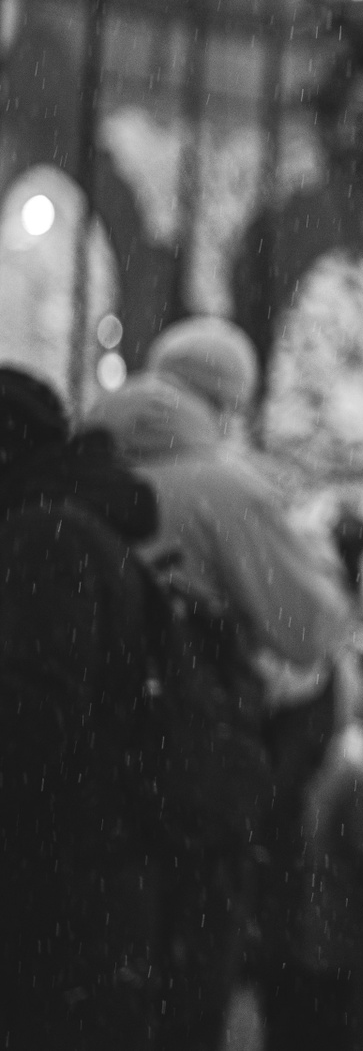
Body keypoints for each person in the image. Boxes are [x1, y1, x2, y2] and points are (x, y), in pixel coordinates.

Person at [89, 316, 361, 1051]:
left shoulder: (83, 467)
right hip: (191, 773)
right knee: (187, 989)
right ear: (231, 400)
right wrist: (317, 555)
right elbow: (310, 629)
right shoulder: (225, 488)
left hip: (88, 774)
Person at [0, 367, 163, 1048]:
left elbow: (31, 722)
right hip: (82, 890)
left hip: (55, 895)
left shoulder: (45, 539)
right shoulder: (65, 528)